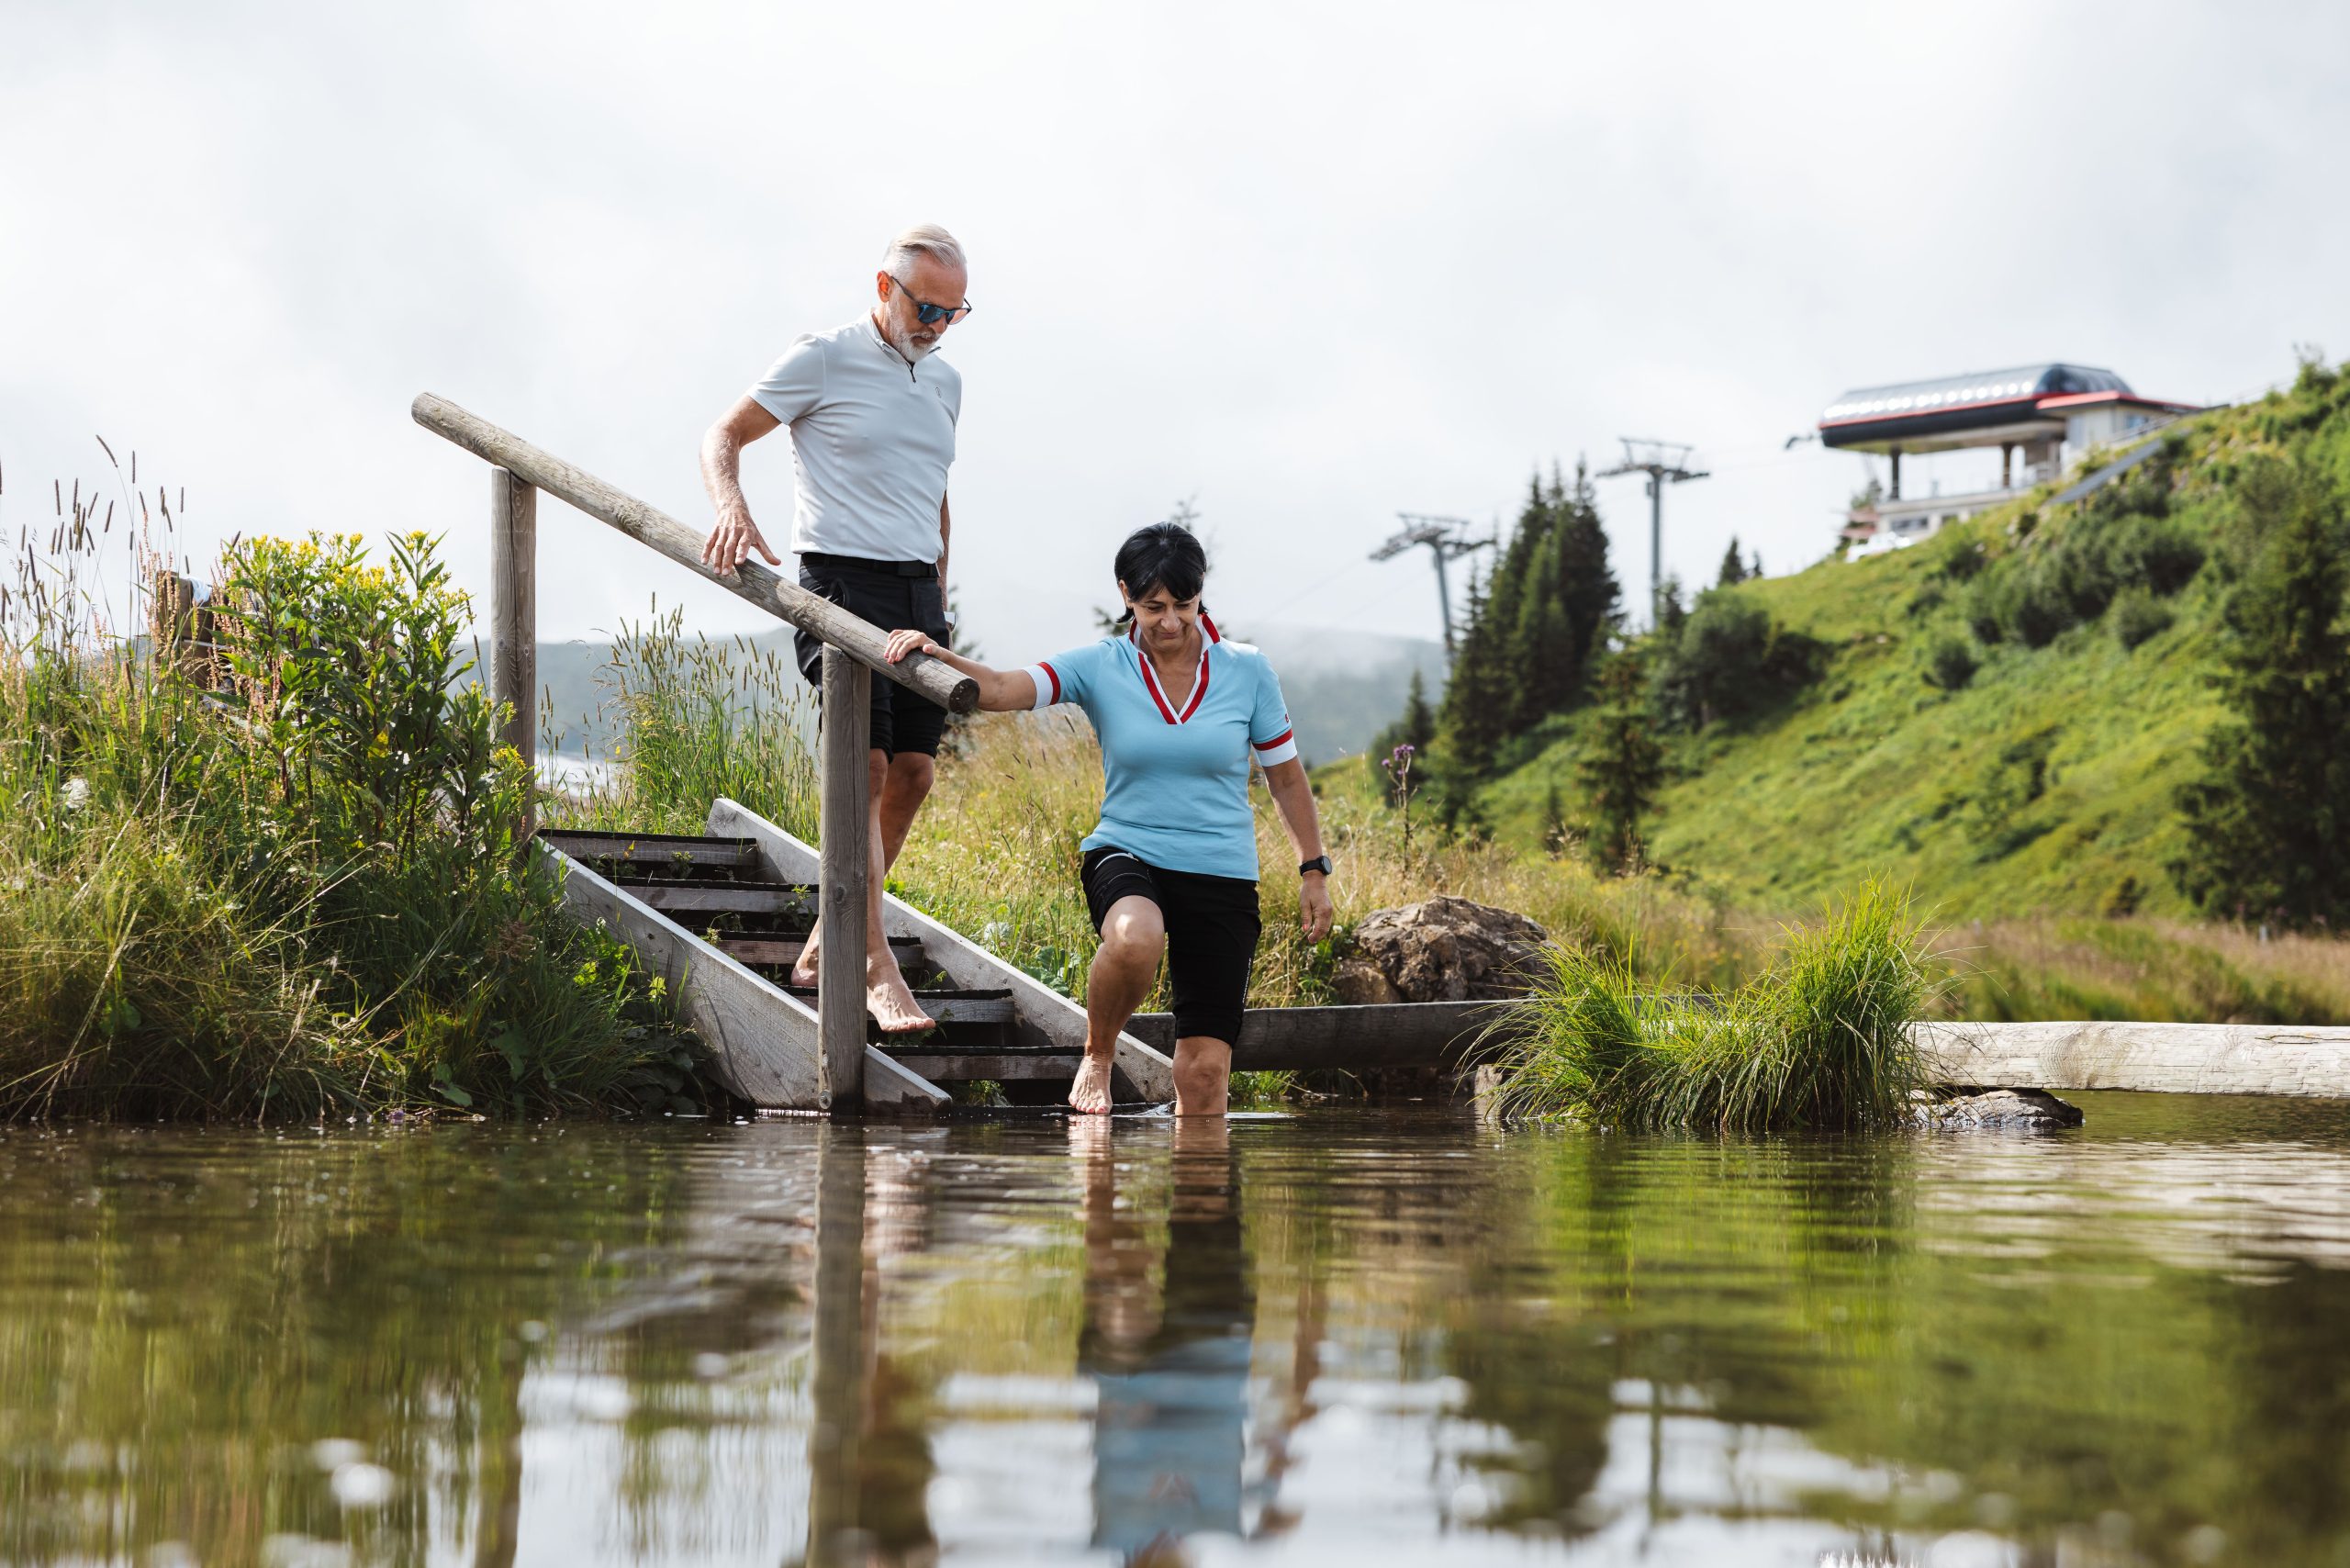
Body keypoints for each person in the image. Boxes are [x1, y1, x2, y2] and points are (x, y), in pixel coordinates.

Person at [884, 522, 1336, 1114]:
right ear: (1126, 594)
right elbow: (999, 687)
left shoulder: (1248, 670)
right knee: (1134, 937)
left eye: (1184, 605)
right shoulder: (1102, 665)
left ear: (1201, 594)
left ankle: (1199, 1173)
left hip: (1222, 871)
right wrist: (936, 655)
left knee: (1204, 1077)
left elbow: (1286, 777)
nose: (1170, 622)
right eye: (1154, 607)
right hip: (1128, 851)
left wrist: (1313, 870)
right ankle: (1097, 1055)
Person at [699, 224, 975, 1033]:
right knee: (868, 766)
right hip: (841, 583)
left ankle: (825, 942)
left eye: (954, 313)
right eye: (927, 308)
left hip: (918, 595)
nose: (938, 326)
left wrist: (939, 589)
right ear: (885, 288)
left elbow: (934, 489)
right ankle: (871, 962)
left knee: (914, 773)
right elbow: (723, 434)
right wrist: (731, 508)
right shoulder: (823, 356)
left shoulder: (946, 380)